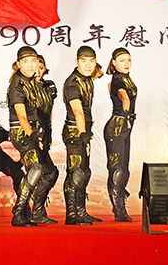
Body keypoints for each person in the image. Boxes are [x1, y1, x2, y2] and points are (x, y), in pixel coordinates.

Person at [62, 45, 103, 225]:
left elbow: (98, 73)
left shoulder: (87, 79)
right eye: (83, 61)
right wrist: (83, 133)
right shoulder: (72, 84)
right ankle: (71, 214)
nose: (88, 65)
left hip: (83, 131)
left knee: (85, 172)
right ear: (77, 62)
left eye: (91, 61)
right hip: (75, 132)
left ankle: (81, 211)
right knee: (76, 172)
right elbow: (78, 111)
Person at [7, 46, 47, 227]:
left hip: (34, 131)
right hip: (22, 132)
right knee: (36, 169)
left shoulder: (32, 81)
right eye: (25, 62)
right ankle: (18, 212)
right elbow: (22, 116)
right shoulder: (18, 85)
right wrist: (32, 135)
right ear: (18, 64)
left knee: (47, 171)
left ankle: (32, 212)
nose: (30, 65)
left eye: (33, 61)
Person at [104, 47, 137, 222]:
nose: (126, 63)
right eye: (122, 60)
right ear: (114, 63)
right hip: (117, 127)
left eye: (129, 60)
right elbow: (124, 97)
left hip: (124, 128)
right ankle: (119, 211)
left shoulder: (126, 78)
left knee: (124, 169)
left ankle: (120, 207)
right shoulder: (117, 80)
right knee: (117, 169)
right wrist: (127, 115)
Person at [30, 55, 59, 224]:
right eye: (35, 67)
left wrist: (48, 132)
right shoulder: (25, 87)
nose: (38, 71)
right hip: (32, 133)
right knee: (47, 171)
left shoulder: (50, 86)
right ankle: (35, 210)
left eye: (41, 68)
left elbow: (50, 111)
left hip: (45, 131)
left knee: (47, 172)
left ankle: (37, 210)